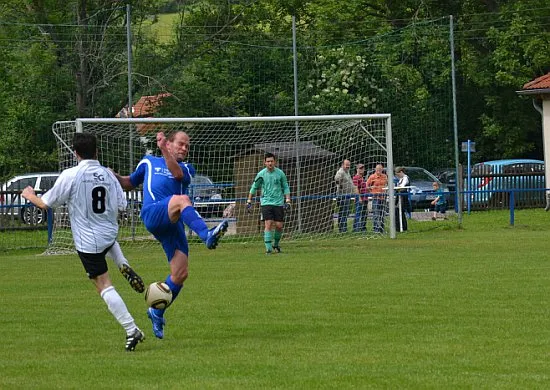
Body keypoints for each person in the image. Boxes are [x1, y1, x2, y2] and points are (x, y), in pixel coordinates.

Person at [21, 132, 145, 352]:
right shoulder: (108, 174)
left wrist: (29, 194)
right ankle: (122, 263)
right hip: (110, 232)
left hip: (89, 241)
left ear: (75, 152)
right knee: (108, 242)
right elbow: (122, 205)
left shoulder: (71, 175)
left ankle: (131, 329)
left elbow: (44, 204)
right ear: (97, 151)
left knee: (103, 286)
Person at [114, 131, 229, 340]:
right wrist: (113, 176)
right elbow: (129, 183)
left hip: (172, 220)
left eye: (187, 146)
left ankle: (156, 311)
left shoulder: (186, 168)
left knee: (180, 273)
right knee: (182, 198)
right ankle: (207, 235)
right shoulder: (148, 162)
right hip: (153, 214)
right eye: (181, 144)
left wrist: (165, 151)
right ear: (171, 143)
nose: (184, 148)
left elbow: (176, 174)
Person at [247, 152, 291, 254]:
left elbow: (285, 187)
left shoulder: (280, 173)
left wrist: (288, 201)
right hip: (266, 202)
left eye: (271, 161)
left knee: (279, 226)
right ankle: (268, 249)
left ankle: (275, 244)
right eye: (268, 161)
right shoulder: (261, 174)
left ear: (274, 162)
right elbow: (254, 187)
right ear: (264, 162)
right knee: (268, 224)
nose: (270, 163)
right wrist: (249, 201)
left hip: (279, 203)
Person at [334, 159, 358, 233]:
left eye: (349, 165)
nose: (348, 166)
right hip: (342, 196)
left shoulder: (347, 172)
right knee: (343, 213)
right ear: (342, 165)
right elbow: (336, 179)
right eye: (346, 165)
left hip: (347, 195)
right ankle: (342, 230)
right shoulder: (341, 172)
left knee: (345, 213)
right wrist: (340, 185)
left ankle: (344, 228)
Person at [366, 164, 388, 233]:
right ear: (375, 169)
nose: (379, 170)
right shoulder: (372, 177)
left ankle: (381, 228)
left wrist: (386, 190)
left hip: (383, 197)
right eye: (377, 169)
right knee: (376, 213)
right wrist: (370, 189)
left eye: (380, 169)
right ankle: (376, 228)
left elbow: (387, 184)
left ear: (382, 169)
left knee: (382, 214)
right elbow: (366, 186)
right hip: (375, 197)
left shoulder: (385, 176)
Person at [394, 167, 411, 232]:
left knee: (400, 211)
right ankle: (400, 227)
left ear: (401, 172)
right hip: (399, 196)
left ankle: (402, 227)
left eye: (398, 174)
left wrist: (397, 188)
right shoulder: (401, 179)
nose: (397, 176)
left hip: (403, 197)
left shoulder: (406, 178)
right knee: (398, 211)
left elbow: (402, 186)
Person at [352, 164, 368, 232]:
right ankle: (356, 229)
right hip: (360, 199)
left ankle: (363, 228)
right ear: (357, 169)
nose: (361, 169)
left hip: (365, 198)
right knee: (358, 214)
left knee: (364, 214)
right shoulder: (356, 177)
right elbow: (355, 188)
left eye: (362, 168)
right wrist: (359, 198)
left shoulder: (362, 177)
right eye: (360, 168)